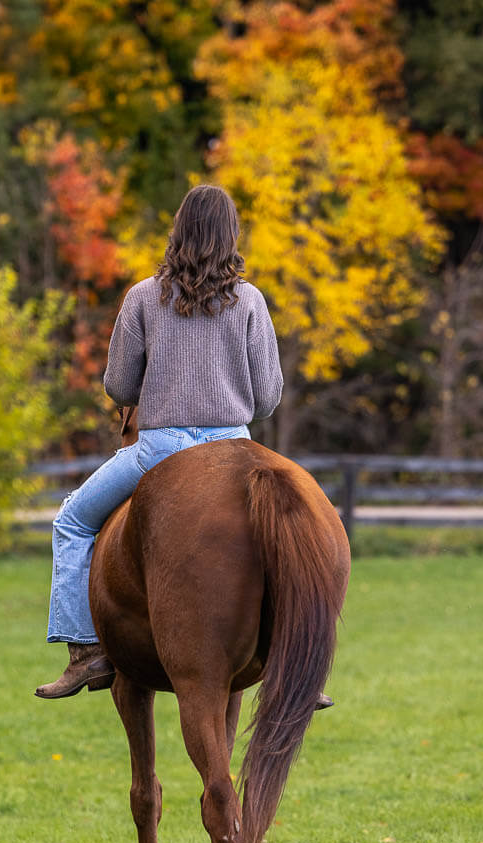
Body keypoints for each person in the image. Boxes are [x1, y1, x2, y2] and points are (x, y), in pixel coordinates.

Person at [35, 184, 332, 710]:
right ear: (230, 236)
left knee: (72, 521)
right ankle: (292, 655)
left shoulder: (143, 298)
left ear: (177, 230)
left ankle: (86, 651)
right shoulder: (252, 301)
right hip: (233, 448)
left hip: (160, 449)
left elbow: (120, 387)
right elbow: (266, 398)